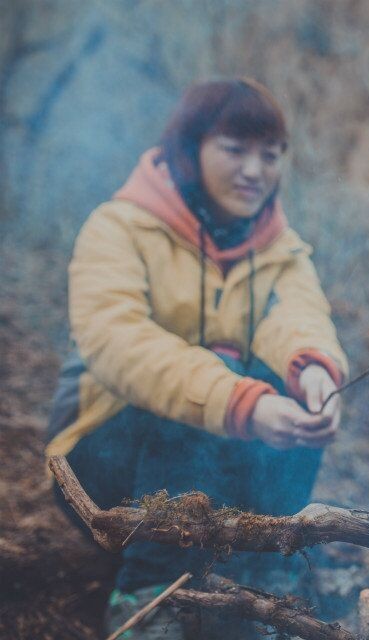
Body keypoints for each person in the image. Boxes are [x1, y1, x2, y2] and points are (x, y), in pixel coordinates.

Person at [46, 78, 348, 637]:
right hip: (100, 467)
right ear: (191, 147)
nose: (255, 170)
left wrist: (312, 373)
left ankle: (260, 577)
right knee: (206, 390)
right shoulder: (120, 226)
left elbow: (296, 316)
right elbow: (117, 341)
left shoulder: (283, 249)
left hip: (216, 475)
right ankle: (146, 594)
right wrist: (236, 399)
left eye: (270, 154)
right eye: (234, 150)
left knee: (288, 391)